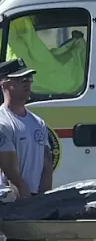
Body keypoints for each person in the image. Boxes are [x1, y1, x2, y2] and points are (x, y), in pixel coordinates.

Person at [0, 58, 53, 198]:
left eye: (29, 78)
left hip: (34, 200)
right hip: (11, 201)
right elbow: (12, 175)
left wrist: (44, 200)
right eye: (21, 79)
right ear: (4, 83)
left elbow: (46, 166)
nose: (27, 83)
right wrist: (27, 204)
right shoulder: (2, 122)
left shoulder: (38, 122)